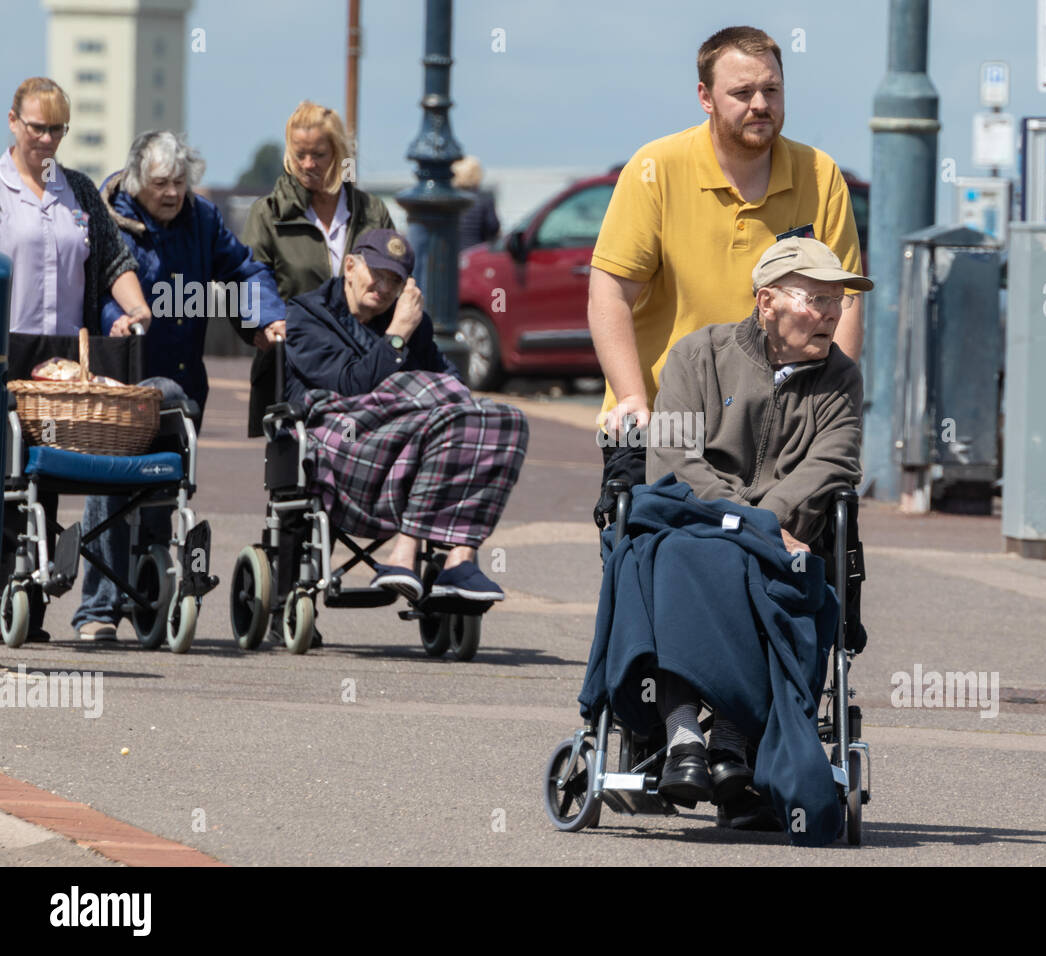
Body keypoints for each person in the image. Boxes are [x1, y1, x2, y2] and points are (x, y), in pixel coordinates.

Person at [641, 236, 868, 833]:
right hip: (695, 527)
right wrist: (747, 522)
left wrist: (763, 526)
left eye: (836, 301)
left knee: (759, 570)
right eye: (815, 299)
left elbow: (834, 464)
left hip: (785, 543)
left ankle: (728, 746)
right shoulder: (699, 355)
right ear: (767, 302)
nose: (830, 314)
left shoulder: (841, 378)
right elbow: (674, 458)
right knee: (686, 556)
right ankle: (688, 737)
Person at [588, 25, 863, 498]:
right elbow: (609, 292)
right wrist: (632, 396)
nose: (760, 104)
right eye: (742, 92)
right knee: (650, 556)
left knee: (792, 548)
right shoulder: (655, 169)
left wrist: (828, 403)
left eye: (772, 90)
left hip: (778, 423)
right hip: (666, 417)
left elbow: (846, 301)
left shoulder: (819, 174)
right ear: (706, 97)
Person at [70, 130, 286, 641]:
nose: (172, 193)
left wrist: (265, 320)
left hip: (181, 382)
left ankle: (145, 592)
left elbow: (242, 271)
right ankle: (97, 609)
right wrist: (114, 317)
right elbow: (96, 281)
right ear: (138, 180)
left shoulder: (201, 218)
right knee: (112, 488)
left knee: (163, 491)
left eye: (180, 182)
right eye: (162, 183)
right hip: (119, 377)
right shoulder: (108, 215)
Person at [284, 229, 528, 603]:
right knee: (439, 404)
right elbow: (348, 387)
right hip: (342, 440)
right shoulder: (307, 315)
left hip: (405, 450)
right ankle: (404, 550)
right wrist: (397, 334)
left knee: (504, 420)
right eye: (377, 273)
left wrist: (410, 337)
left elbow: (452, 384)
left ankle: (459, 559)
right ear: (350, 266)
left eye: (394, 280)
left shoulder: (415, 322)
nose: (383, 287)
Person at [0, 77, 152, 643]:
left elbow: (115, 262)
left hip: (62, 363)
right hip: (5, 348)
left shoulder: (81, 193)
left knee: (43, 482)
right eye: (36, 126)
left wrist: (137, 311)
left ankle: (29, 609)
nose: (45, 139)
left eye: (56, 129)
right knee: (4, 480)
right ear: (12, 121)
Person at [241, 100, 395, 438]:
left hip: (364, 365)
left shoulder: (372, 212)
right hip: (296, 365)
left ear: (339, 153)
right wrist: (261, 322)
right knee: (298, 473)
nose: (308, 165)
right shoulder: (267, 214)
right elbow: (248, 277)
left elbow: (395, 275)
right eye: (300, 155)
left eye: (319, 155)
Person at [451, 156, 501, 250]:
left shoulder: (448, 199)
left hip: (451, 253)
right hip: (475, 252)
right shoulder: (484, 199)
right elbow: (493, 227)